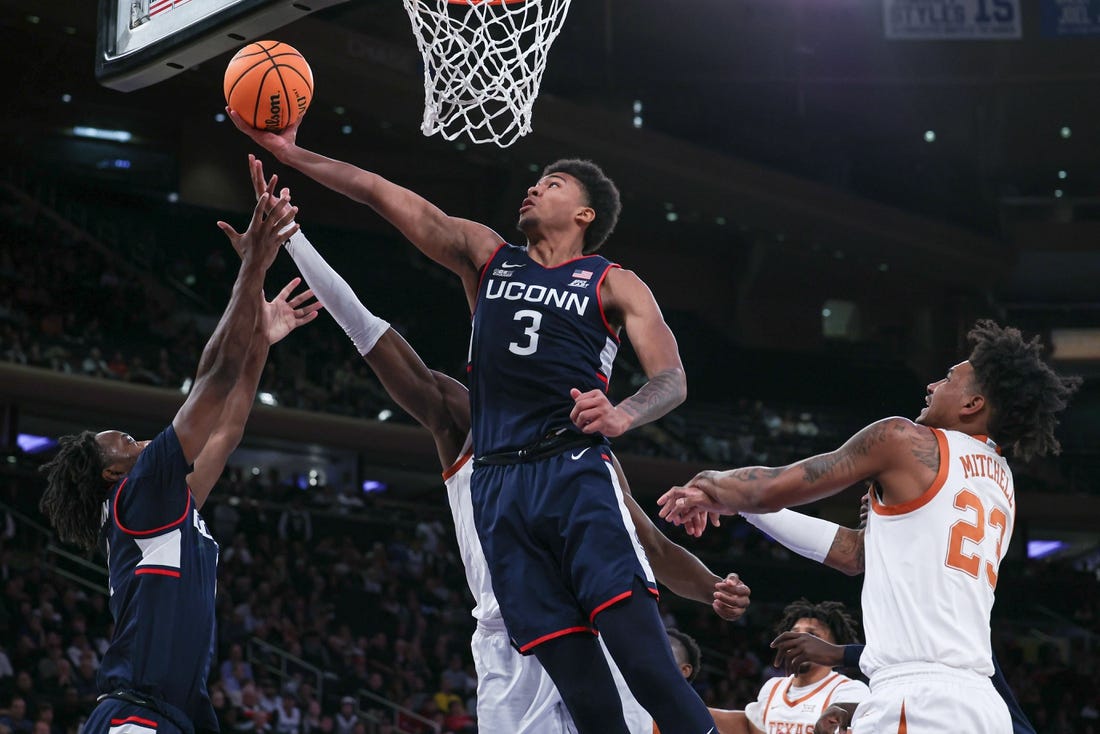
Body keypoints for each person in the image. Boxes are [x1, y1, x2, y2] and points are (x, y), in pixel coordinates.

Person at [232, 111, 715, 733]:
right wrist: (293, 155)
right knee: (590, 702)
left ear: (585, 215)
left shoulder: (612, 282)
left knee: (649, 671)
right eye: (536, 180)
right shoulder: (486, 256)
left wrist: (622, 414)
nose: (536, 187)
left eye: (554, 184)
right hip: (496, 487)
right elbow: (379, 191)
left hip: (571, 470)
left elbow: (671, 378)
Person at [659, 320, 1081, 732]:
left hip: (918, 698)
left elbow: (773, 486)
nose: (932, 385)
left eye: (949, 378)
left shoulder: (905, 440)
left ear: (972, 405)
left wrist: (713, 483)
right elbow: (856, 555)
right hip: (982, 706)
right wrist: (746, 510)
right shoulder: (1001, 483)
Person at [37, 191, 319, 734]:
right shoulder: (137, 495)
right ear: (111, 474)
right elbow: (213, 376)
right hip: (137, 712)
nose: (137, 439)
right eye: (121, 439)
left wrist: (260, 338)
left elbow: (230, 427)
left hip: (170, 710)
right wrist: (253, 269)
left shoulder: (163, 504)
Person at [745, 497, 1037, 734]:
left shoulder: (919, 577)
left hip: (940, 702)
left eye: (881, 497)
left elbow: (846, 552)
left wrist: (743, 503)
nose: (865, 502)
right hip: (979, 708)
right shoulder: (924, 581)